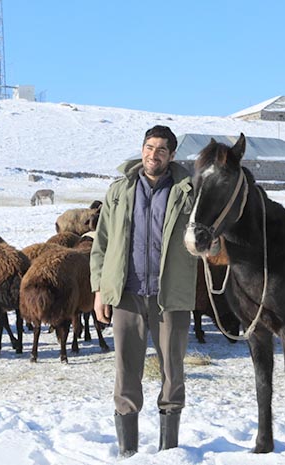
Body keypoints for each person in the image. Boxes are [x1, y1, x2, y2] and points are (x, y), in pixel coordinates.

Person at [90, 125, 197, 457]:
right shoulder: (120, 190)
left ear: (172, 155)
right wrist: (99, 290)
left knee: (172, 370)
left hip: (171, 296)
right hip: (127, 294)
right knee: (126, 370)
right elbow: (102, 242)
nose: (154, 155)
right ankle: (128, 452)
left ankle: (169, 452)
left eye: (161, 150)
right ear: (142, 150)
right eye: (149, 148)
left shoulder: (188, 192)